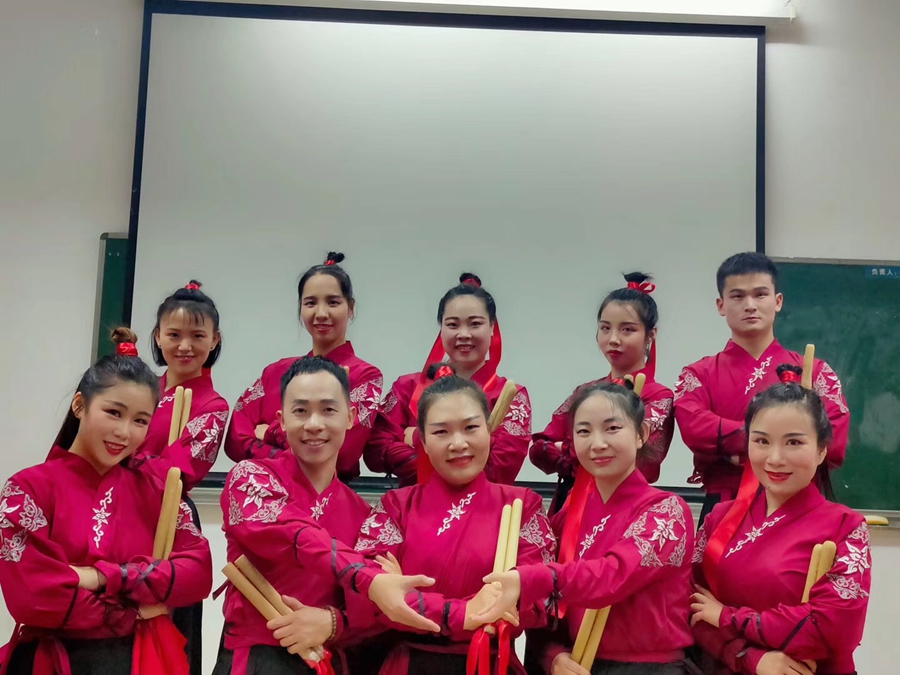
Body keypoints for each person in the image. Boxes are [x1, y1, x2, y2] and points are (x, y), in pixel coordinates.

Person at [0, 329, 213, 674]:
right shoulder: (27, 489)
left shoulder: (157, 490)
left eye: (140, 421)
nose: (124, 432)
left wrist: (102, 577)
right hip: (51, 663)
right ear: (80, 405)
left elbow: (198, 573)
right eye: (114, 412)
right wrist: (133, 611)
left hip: (139, 662)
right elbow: (33, 597)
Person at [472, 380, 694, 675]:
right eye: (584, 431)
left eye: (612, 428)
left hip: (651, 668)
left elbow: (612, 576)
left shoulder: (667, 511)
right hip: (577, 664)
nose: (597, 443)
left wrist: (529, 579)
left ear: (641, 434)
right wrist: (553, 656)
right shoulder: (567, 516)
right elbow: (547, 608)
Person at [353, 365, 556, 673]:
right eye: (441, 432)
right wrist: (471, 611)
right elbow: (372, 598)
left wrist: (412, 600)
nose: (458, 443)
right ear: (422, 440)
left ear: (489, 431)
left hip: (491, 664)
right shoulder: (395, 506)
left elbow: (538, 600)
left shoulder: (522, 505)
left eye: (471, 428)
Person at [690, 364, 870, 675]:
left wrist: (727, 617)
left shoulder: (846, 527)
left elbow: (834, 630)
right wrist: (749, 657)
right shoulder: (719, 518)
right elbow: (692, 609)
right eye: (761, 441)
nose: (775, 458)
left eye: (794, 442)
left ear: (821, 450)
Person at [215, 356, 379, 675]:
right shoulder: (251, 477)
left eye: (328, 410)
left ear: (351, 416)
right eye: (300, 411)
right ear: (281, 420)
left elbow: (375, 609)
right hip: (255, 661)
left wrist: (333, 622)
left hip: (327, 659)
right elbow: (286, 532)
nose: (314, 424)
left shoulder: (365, 515)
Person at [673, 253, 849, 523]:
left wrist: (740, 450)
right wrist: (786, 441)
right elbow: (694, 428)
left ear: (777, 301)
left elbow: (834, 441)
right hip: (723, 508)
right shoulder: (698, 374)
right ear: (721, 305)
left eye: (760, 294)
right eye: (738, 296)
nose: (750, 305)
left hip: (799, 508)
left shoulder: (815, 371)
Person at [129, 280, 228, 674]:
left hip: (170, 518)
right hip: (122, 511)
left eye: (197, 336)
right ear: (158, 336)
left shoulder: (213, 405)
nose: (185, 346)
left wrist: (128, 462)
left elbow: (179, 471)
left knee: (167, 626)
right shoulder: (139, 391)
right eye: (174, 335)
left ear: (214, 339)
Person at [224, 252, 383, 481]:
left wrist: (269, 432)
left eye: (333, 302)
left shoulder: (364, 376)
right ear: (301, 308)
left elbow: (342, 454)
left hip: (328, 494)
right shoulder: (275, 372)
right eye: (310, 303)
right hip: (265, 491)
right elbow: (235, 441)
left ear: (351, 308)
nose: (321, 313)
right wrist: (294, 449)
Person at [364, 273, 531, 486]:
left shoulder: (510, 395)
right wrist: (472, 452)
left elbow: (499, 470)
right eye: (453, 325)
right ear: (441, 329)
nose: (464, 334)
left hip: (483, 505)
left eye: (475, 324)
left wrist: (416, 438)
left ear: (492, 328)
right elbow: (376, 452)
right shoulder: (407, 387)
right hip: (414, 503)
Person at [530, 273, 675, 513]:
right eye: (605, 328)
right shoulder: (586, 391)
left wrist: (567, 448)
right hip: (570, 501)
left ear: (651, 335)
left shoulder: (658, 396)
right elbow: (539, 449)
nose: (613, 339)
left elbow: (641, 458)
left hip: (623, 504)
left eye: (627, 330)